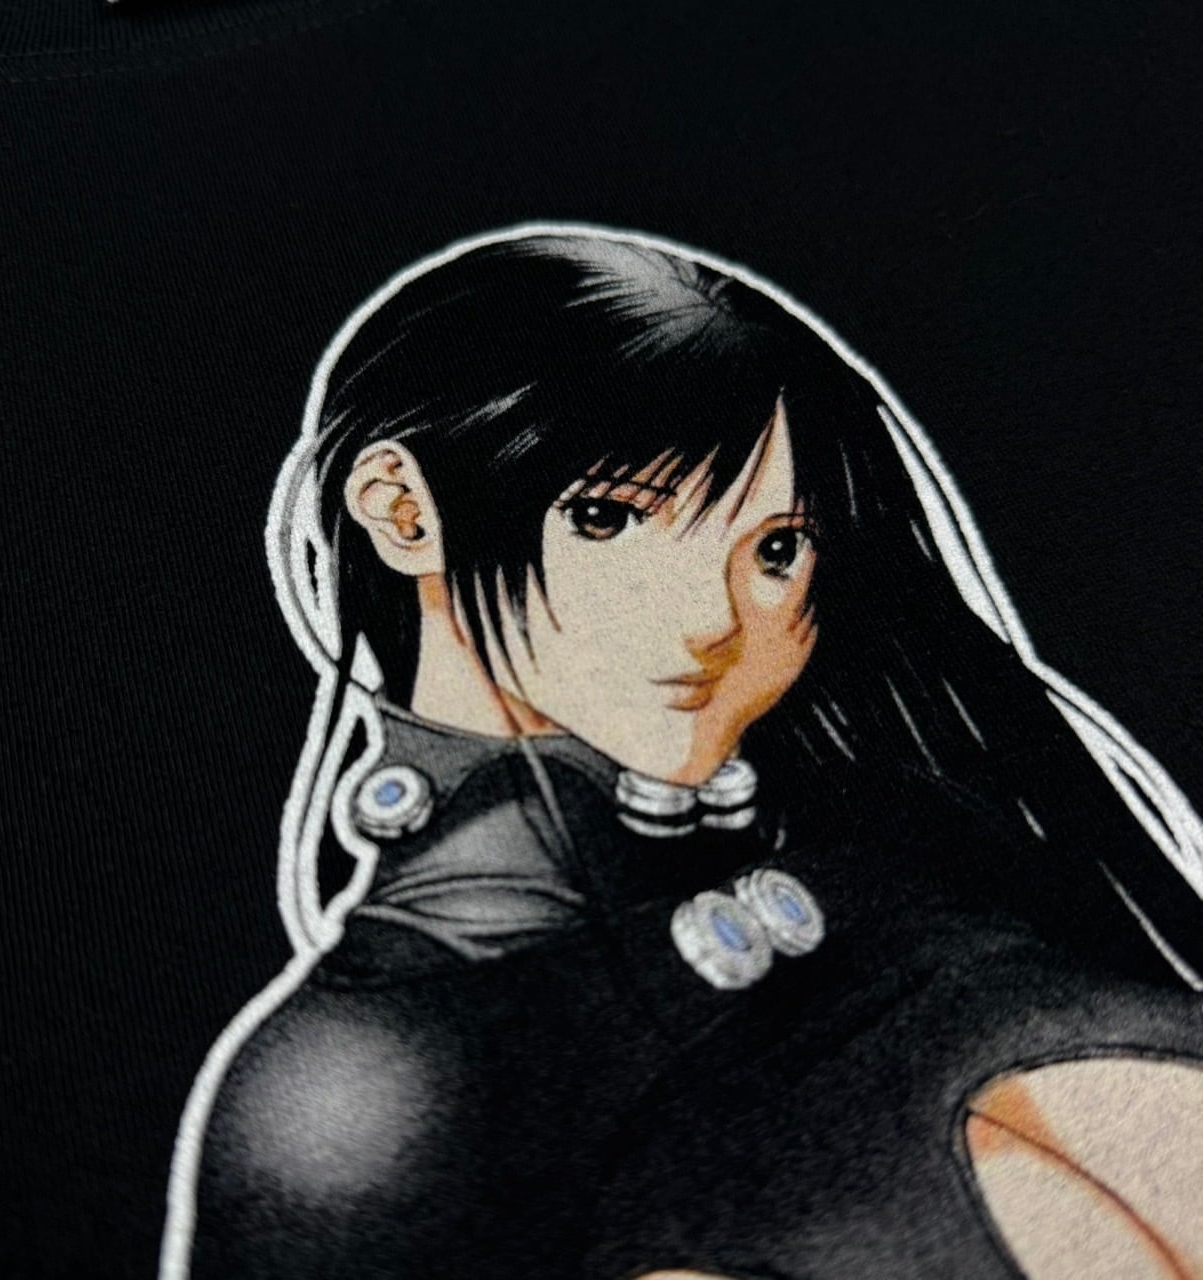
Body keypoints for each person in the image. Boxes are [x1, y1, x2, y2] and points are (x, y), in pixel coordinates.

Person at [163, 227, 1203, 1279]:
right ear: (402, 510)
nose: (712, 618)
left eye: (775, 548)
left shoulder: (912, 902)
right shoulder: (368, 1082)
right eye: (607, 516)